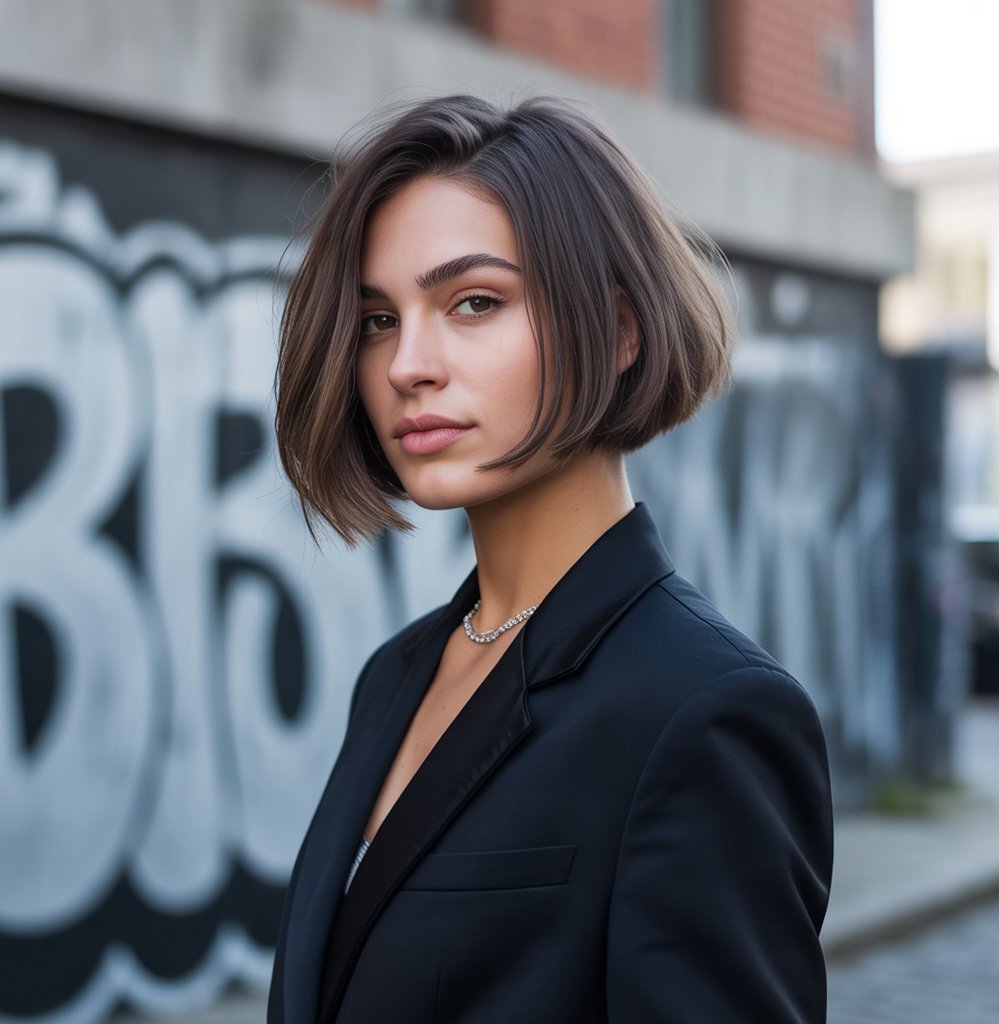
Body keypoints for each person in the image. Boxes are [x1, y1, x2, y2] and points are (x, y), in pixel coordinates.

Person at [269, 95, 832, 1024]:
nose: (408, 362)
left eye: (474, 302)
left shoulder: (706, 713)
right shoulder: (395, 675)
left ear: (617, 332)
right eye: (378, 320)